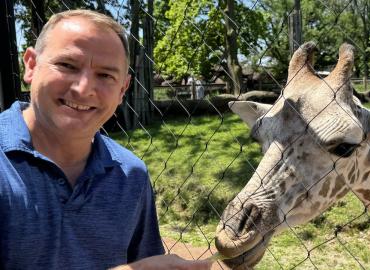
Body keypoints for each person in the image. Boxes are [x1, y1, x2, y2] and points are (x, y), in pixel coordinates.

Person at [0, 9, 212, 270]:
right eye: (67, 65)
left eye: (105, 75)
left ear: (123, 89)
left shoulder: (131, 175)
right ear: (31, 66)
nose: (83, 88)